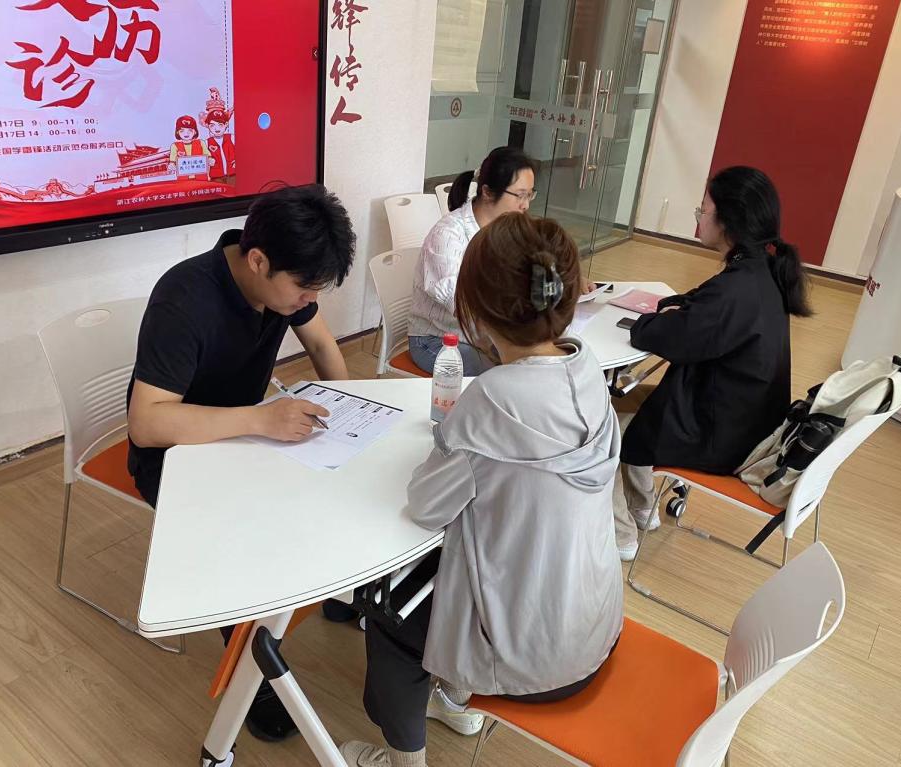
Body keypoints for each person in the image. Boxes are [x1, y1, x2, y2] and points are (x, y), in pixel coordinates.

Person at [341, 214, 624, 767]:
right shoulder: (588, 367)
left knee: (387, 608)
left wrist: (448, 446)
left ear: (475, 309)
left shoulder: (493, 399)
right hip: (592, 622)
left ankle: (405, 759)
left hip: (528, 658)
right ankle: (454, 698)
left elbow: (426, 506)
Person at [125, 183, 355, 740]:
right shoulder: (184, 297)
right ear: (258, 261)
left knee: (339, 481)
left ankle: (341, 586)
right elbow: (147, 423)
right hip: (177, 455)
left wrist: (350, 413)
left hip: (247, 435)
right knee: (241, 539)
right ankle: (253, 673)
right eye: (304, 288)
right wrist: (259, 420)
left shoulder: (284, 283)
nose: (308, 300)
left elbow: (322, 346)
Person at [614, 166, 813, 560]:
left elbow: (664, 337)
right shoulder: (761, 271)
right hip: (744, 421)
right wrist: (676, 310)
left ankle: (619, 535)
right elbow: (698, 309)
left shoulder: (736, 290)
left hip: (721, 437)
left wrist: (648, 321)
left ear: (728, 220)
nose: (698, 218)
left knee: (603, 427)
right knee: (627, 404)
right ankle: (642, 508)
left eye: (702, 211)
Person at [407, 146, 537, 375]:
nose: (525, 204)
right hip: (438, 341)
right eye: (520, 195)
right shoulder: (448, 235)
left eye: (530, 195)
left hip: (484, 337)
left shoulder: (509, 231)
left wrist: (563, 282)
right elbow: (463, 304)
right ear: (487, 192)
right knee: (509, 375)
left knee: (537, 364)